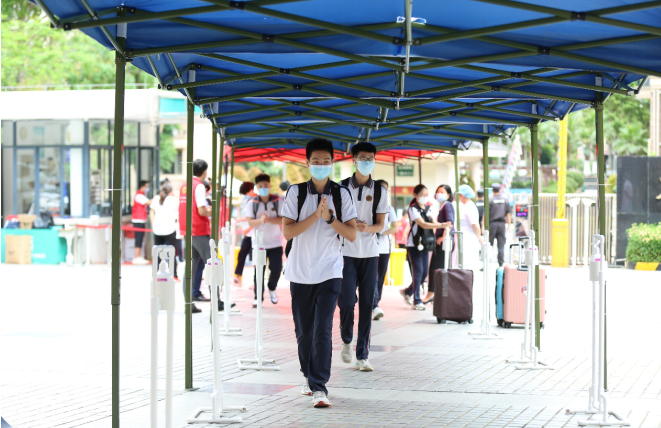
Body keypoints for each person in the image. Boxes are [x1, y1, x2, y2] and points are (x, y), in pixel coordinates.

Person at [282, 138, 357, 408]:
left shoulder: (341, 194)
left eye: (326, 162)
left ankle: (319, 387)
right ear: (307, 163)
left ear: (333, 163)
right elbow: (287, 231)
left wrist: (329, 219)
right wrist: (314, 216)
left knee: (322, 330)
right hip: (300, 272)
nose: (321, 166)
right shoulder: (296, 193)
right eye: (316, 161)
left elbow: (351, 234)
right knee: (304, 332)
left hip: (330, 271)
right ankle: (309, 375)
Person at [337, 142, 388, 372]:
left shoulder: (380, 190)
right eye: (363, 158)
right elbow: (333, 220)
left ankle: (363, 355)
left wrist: (365, 228)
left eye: (371, 158)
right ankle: (347, 339)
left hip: (370, 254)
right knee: (346, 301)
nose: (367, 162)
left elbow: (380, 224)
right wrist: (350, 226)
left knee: (367, 304)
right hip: (345, 253)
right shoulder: (340, 188)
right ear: (354, 160)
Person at [179, 159, 226, 313]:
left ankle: (188, 303)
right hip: (199, 230)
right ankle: (217, 301)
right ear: (205, 171)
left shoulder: (184, 185)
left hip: (187, 230)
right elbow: (201, 210)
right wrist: (214, 209)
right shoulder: (198, 186)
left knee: (190, 269)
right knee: (213, 264)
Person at [399, 185, 451, 310]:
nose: (424, 197)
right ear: (415, 196)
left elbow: (433, 222)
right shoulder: (412, 209)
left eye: (426, 194)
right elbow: (423, 224)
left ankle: (408, 292)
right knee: (418, 272)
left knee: (423, 274)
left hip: (426, 244)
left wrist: (441, 225)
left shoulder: (429, 208)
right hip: (414, 244)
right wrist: (443, 225)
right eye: (422, 194)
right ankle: (416, 300)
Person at [246, 174, 284, 307]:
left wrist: (268, 220)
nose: (263, 188)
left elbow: (283, 219)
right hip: (259, 244)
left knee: (277, 269)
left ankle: (272, 287)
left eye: (265, 186)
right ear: (256, 187)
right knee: (258, 271)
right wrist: (260, 221)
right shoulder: (252, 203)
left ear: (270, 185)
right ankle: (258, 297)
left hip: (275, 242)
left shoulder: (278, 201)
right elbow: (250, 223)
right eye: (260, 186)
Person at [423, 184, 455, 304]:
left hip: (444, 243)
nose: (439, 194)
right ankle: (434, 293)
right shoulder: (443, 206)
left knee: (435, 268)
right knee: (436, 268)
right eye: (438, 191)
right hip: (443, 242)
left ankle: (431, 293)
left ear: (448, 194)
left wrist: (442, 237)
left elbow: (449, 223)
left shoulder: (447, 205)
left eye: (442, 192)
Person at [372, 179, 398, 321]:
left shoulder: (389, 208)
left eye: (386, 189)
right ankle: (374, 305)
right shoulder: (369, 206)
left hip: (384, 248)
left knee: (380, 278)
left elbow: (395, 227)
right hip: (370, 248)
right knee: (373, 277)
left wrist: (383, 232)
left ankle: (375, 303)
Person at [150, 182, 179, 278]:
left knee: (157, 252)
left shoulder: (156, 198)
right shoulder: (173, 200)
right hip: (169, 229)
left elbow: (151, 212)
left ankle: (155, 273)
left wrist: (153, 224)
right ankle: (173, 274)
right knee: (171, 252)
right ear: (171, 191)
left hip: (157, 229)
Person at [454, 184, 484, 271]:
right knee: (464, 261)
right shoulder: (465, 206)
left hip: (468, 238)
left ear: (461, 195)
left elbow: (474, 224)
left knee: (467, 262)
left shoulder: (469, 206)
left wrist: (479, 236)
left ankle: (466, 280)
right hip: (465, 238)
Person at [234, 182, 256, 286]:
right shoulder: (248, 200)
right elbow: (248, 216)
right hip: (248, 234)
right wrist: (239, 221)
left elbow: (258, 218)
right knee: (241, 254)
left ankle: (256, 282)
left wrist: (249, 228)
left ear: (251, 190)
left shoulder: (258, 200)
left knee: (255, 259)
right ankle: (238, 278)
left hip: (255, 234)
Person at [488, 183, 511, 267]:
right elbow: (508, 214)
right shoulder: (505, 200)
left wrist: (484, 226)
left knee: (489, 244)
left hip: (492, 224)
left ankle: (487, 262)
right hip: (501, 224)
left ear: (492, 190)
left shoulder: (490, 200)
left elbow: (486, 214)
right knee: (501, 245)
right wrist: (508, 226)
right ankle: (501, 263)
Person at [131, 180, 152, 265]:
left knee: (140, 239)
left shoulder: (142, 195)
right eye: (146, 186)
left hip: (141, 219)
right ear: (142, 186)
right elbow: (148, 202)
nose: (147, 188)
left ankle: (139, 256)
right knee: (138, 239)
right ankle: (136, 257)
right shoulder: (139, 195)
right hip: (138, 220)